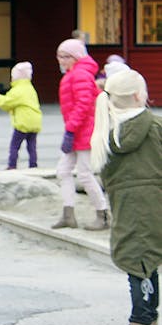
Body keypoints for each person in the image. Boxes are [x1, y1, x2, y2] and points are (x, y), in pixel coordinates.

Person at [89, 70, 162, 325]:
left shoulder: (106, 133)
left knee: (138, 263)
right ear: (138, 95)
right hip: (155, 203)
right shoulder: (155, 127)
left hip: (127, 207)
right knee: (147, 262)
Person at [52, 38, 110, 230]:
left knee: (84, 174)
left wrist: (70, 129)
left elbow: (83, 104)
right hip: (77, 130)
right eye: (59, 56)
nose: (60, 60)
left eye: (64, 56)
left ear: (75, 57)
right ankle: (68, 214)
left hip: (82, 132)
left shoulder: (80, 75)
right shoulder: (75, 73)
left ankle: (102, 214)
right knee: (63, 171)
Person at [0, 62, 42, 169]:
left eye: (12, 76)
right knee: (31, 146)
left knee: (14, 146)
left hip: (23, 123)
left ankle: (12, 165)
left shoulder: (17, 91)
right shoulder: (30, 88)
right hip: (35, 122)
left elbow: (6, 103)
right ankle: (33, 165)